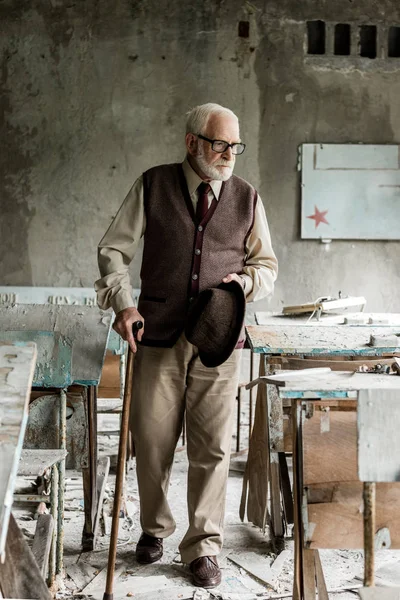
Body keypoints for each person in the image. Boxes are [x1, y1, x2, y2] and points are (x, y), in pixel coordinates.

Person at [95, 103, 278, 589]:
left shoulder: (248, 198)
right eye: (220, 144)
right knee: (152, 444)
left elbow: (267, 267)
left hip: (221, 343)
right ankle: (155, 530)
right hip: (154, 337)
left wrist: (244, 283)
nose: (229, 155)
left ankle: (203, 547)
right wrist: (122, 304)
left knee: (213, 449)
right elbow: (114, 249)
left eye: (236, 146)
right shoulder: (152, 185)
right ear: (192, 141)